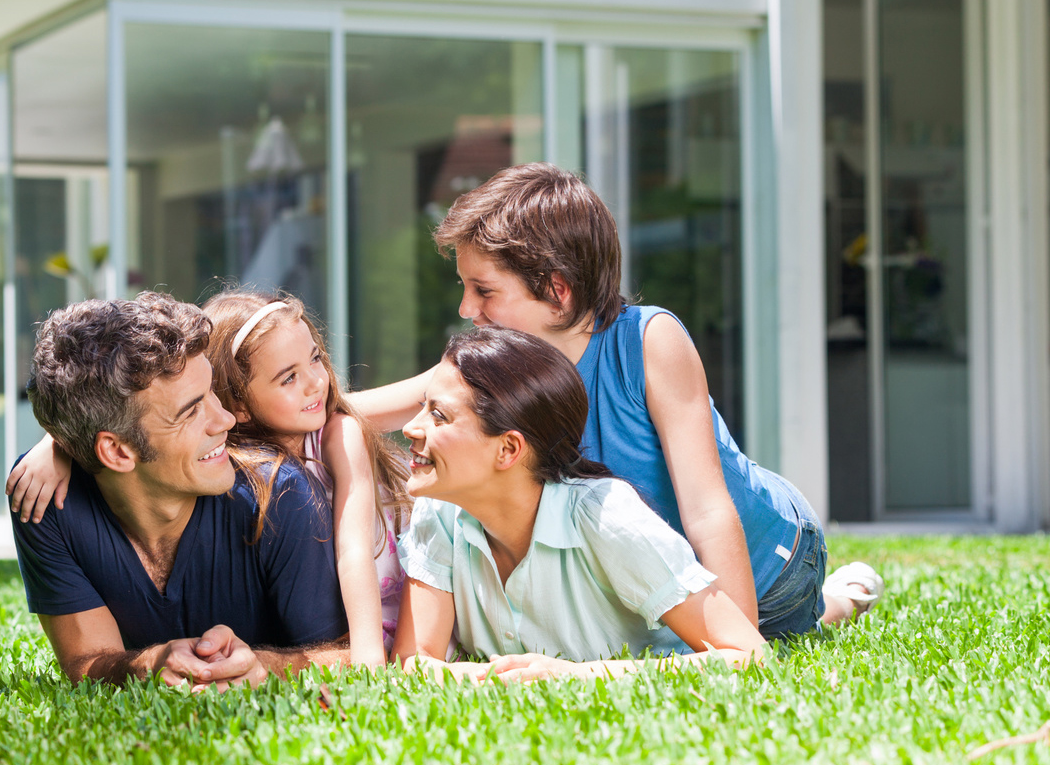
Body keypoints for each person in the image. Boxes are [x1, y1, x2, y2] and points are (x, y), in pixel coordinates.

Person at [355, 163, 882, 640]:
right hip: (663, 576)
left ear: (557, 290)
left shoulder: (648, 342)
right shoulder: (502, 365)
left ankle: (841, 597)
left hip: (770, 562)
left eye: (484, 290)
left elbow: (707, 508)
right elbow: (374, 407)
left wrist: (736, 641)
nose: (468, 307)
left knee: (779, 630)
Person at [10, 290, 412, 666]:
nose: (224, 421)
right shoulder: (43, 496)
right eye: (190, 411)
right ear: (115, 451)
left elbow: (346, 653)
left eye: (213, 393)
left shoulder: (287, 485)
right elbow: (86, 663)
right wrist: (59, 440)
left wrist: (269, 667)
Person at [395, 326, 769, 682]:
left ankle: (831, 600)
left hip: (781, 570)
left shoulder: (608, 519)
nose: (410, 428)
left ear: (508, 449)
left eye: (438, 415)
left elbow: (749, 654)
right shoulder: (439, 510)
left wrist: (575, 675)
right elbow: (413, 661)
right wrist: (478, 676)